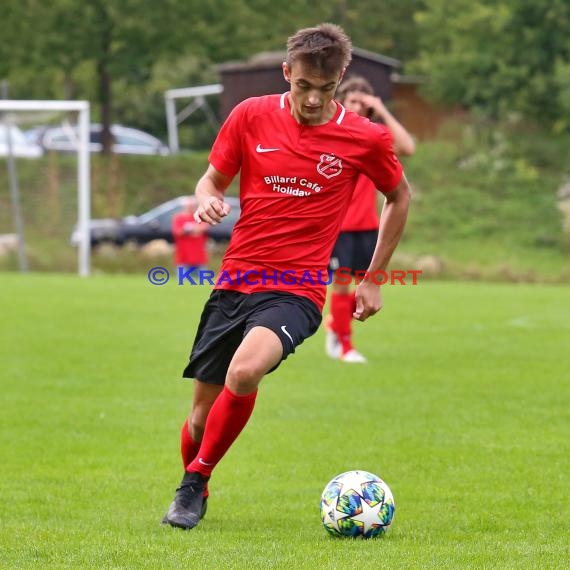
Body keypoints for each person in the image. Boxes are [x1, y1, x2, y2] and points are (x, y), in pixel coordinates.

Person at [162, 23, 411, 530]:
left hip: (296, 291)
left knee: (246, 370)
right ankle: (199, 478)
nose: (315, 100)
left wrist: (372, 277)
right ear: (286, 74)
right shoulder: (249, 116)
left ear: (339, 80)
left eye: (326, 89)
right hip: (234, 282)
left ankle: (191, 485)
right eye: (304, 87)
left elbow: (400, 196)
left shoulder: (364, 138)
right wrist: (209, 196)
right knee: (198, 420)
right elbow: (211, 178)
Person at [324, 75, 416, 363]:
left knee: (368, 287)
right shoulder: (329, 132)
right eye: (351, 101)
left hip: (369, 226)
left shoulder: (372, 136)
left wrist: (382, 109)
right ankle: (345, 347)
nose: (357, 107)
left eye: (363, 103)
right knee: (341, 285)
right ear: (340, 101)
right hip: (338, 227)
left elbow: (408, 148)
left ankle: (335, 324)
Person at [171, 197, 208, 274]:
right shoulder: (179, 218)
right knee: (182, 283)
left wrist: (188, 231)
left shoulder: (200, 217)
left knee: (202, 283)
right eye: (188, 206)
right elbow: (178, 232)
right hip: (183, 257)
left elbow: (203, 229)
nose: (190, 208)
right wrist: (190, 230)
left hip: (199, 257)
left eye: (192, 206)